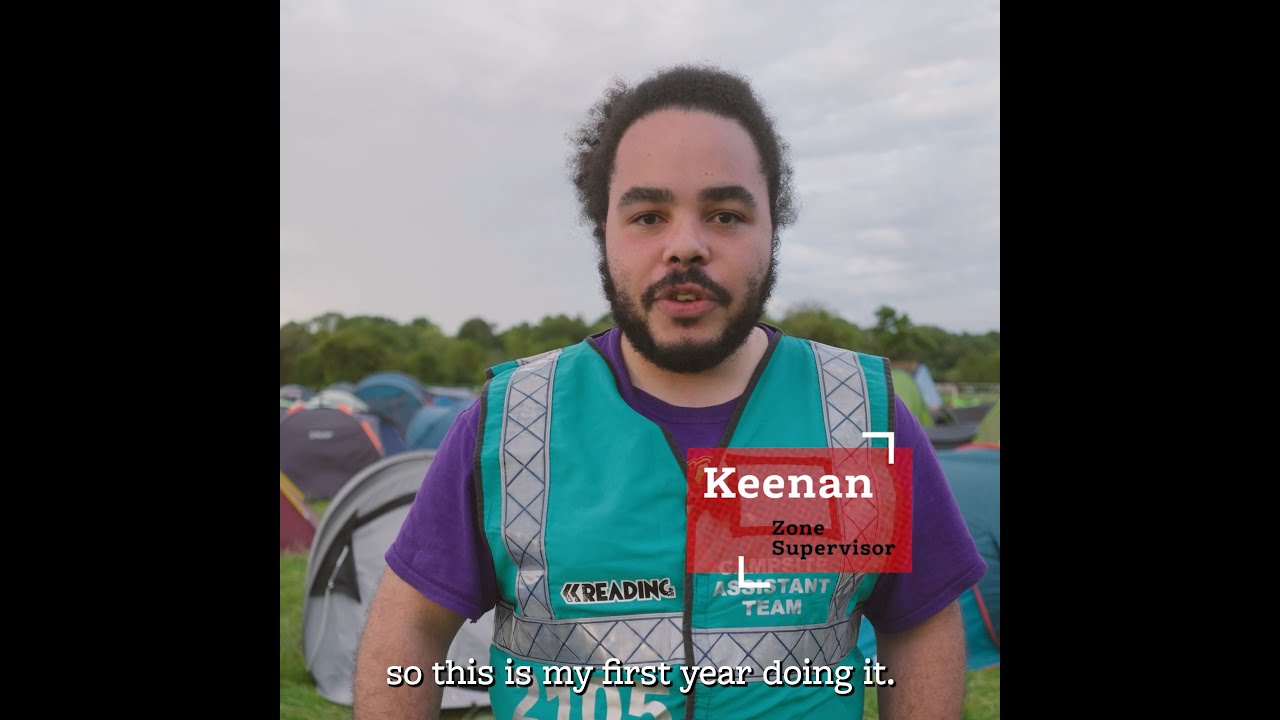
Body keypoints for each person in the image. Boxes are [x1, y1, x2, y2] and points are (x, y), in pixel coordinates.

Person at [353, 64, 986, 720]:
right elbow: (411, 626)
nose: (685, 247)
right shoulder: (510, 420)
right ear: (603, 231)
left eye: (725, 214)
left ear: (773, 227)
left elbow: (919, 624)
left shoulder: (860, 415)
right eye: (649, 215)